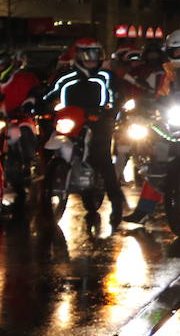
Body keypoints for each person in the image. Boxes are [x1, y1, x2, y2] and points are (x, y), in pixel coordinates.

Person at [41, 37, 126, 227]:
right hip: (70, 120)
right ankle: (53, 180)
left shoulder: (106, 77)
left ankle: (117, 202)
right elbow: (48, 93)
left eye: (95, 55)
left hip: (99, 122)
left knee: (101, 157)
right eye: (87, 55)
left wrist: (110, 111)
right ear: (77, 55)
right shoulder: (65, 76)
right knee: (47, 144)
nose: (91, 59)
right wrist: (38, 104)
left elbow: (118, 97)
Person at [124, 29, 180, 223]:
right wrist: (146, 108)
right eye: (176, 50)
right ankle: (144, 210)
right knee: (158, 162)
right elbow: (161, 96)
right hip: (177, 122)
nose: (179, 54)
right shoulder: (169, 72)